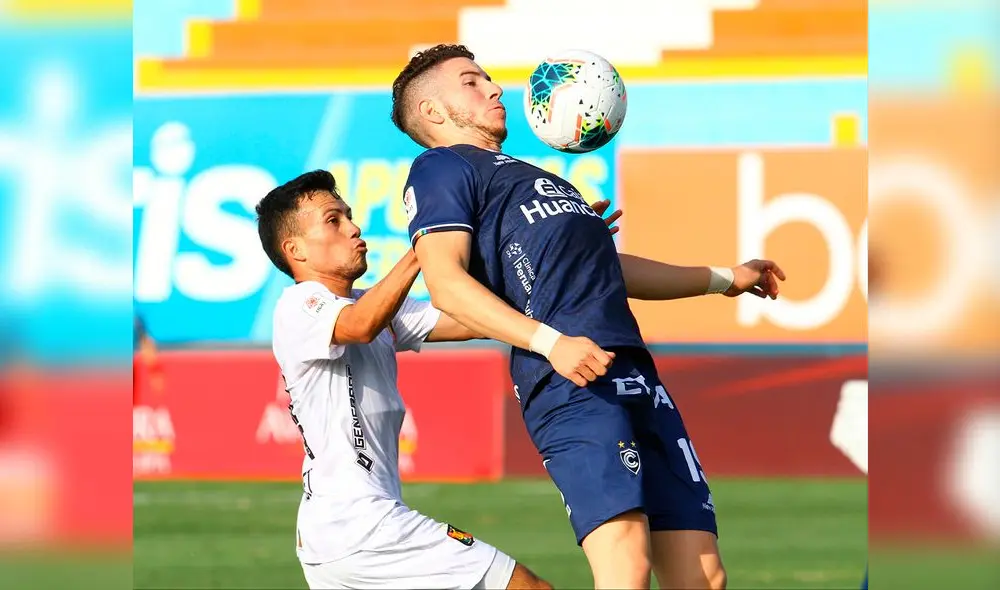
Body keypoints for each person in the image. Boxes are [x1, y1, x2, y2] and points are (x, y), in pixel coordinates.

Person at [391, 44, 787, 590]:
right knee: (625, 566)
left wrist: (724, 278)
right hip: (570, 380)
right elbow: (447, 285)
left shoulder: (536, 177)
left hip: (633, 371)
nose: (494, 89)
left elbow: (608, 269)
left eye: (486, 78)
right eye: (471, 82)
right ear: (434, 113)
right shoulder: (441, 167)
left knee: (703, 577)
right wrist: (551, 344)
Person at [254, 169, 620, 590]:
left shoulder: (371, 305)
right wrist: (423, 245)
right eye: (333, 220)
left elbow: (473, 318)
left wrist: (560, 254)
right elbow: (359, 326)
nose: (354, 228)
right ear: (294, 250)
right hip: (360, 526)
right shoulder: (299, 305)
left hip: (341, 536)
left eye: (349, 215)